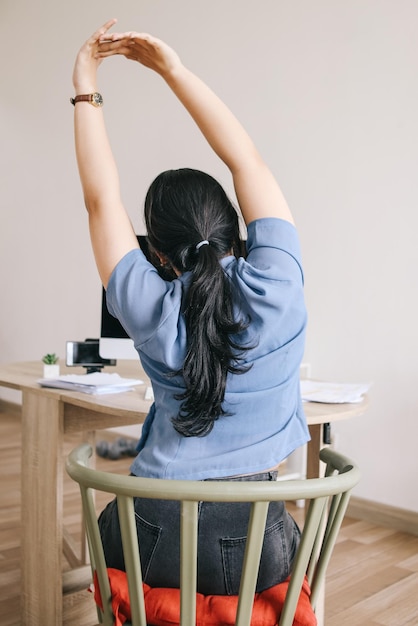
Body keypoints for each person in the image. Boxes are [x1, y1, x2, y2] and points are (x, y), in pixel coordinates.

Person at [72, 19, 310, 595]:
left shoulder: (150, 308)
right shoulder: (279, 282)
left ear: (155, 253)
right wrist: (172, 71)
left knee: (104, 534)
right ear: (237, 225)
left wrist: (86, 84)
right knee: (293, 542)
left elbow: (101, 201)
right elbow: (245, 159)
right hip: (257, 544)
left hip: (154, 535)